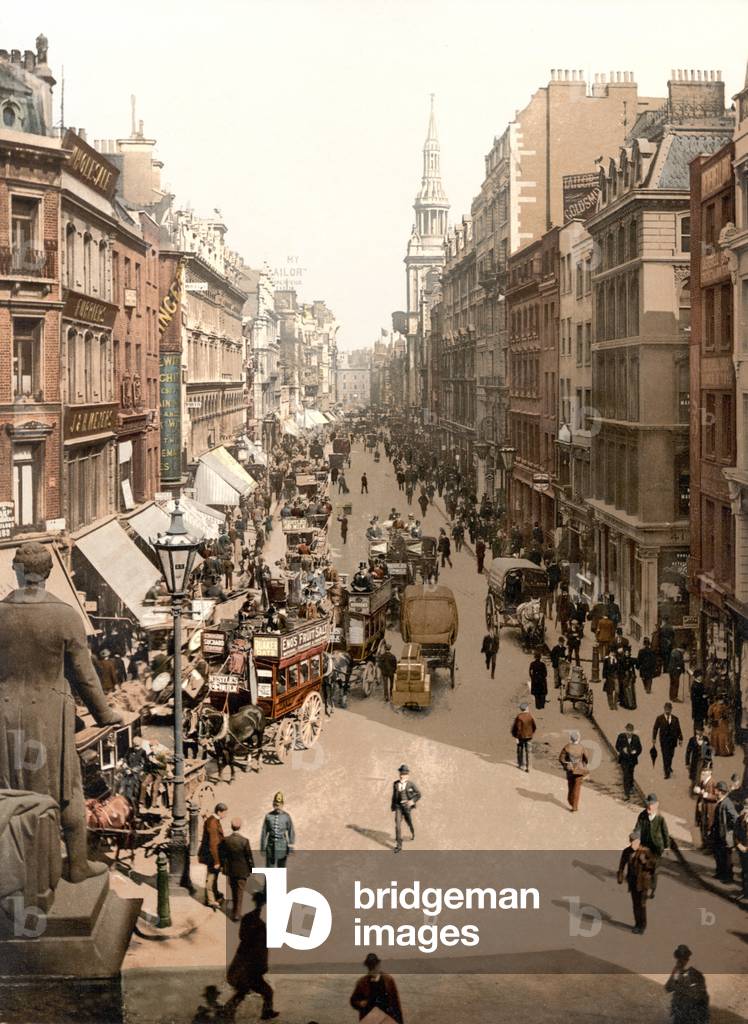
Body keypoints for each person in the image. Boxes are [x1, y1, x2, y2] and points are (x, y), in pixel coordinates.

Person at [0, 542, 123, 884]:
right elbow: (85, 676)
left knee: (7, 789)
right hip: (50, 716)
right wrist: (105, 715)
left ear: (17, 571)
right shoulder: (66, 615)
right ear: (50, 572)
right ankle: (78, 865)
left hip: (4, 714)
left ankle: (15, 870)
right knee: (68, 789)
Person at [225, 891, 279, 1021]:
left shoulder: (248, 918)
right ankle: (265, 1012)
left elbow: (242, 936)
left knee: (244, 990)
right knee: (266, 991)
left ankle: (227, 1011)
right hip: (251, 965)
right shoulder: (263, 922)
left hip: (243, 961)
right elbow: (262, 946)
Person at [617, 831, 656, 934]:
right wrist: (620, 875)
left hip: (643, 882)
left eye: (636, 842)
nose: (634, 844)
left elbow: (653, 867)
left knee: (642, 904)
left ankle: (642, 926)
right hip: (633, 881)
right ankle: (637, 924)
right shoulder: (627, 851)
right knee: (635, 904)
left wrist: (644, 862)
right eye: (632, 842)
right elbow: (622, 864)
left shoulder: (646, 851)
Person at [349, 953, 404, 1023]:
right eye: (370, 967)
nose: (372, 969)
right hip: (368, 1019)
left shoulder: (388, 980)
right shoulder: (362, 982)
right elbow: (353, 1000)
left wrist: (400, 1022)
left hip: (386, 1019)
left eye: (374, 966)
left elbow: (396, 1004)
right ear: (368, 967)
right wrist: (360, 1003)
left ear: (378, 965)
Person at [220, 818, 255, 922]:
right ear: (240, 827)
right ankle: (236, 913)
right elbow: (249, 856)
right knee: (240, 892)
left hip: (231, 870)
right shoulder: (244, 841)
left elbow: (223, 855)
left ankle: (235, 910)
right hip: (242, 870)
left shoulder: (226, 840)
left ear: (231, 827)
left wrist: (224, 867)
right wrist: (252, 868)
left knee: (234, 890)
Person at [664, 945, 709, 1024]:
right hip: (680, 1012)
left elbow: (697, 995)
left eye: (682, 959)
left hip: (693, 1014)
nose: (678, 962)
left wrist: (677, 986)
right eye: (678, 959)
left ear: (687, 959)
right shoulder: (678, 971)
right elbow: (668, 988)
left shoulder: (694, 973)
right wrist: (674, 974)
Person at [199, 803, 228, 908]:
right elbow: (213, 844)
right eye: (225, 813)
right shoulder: (213, 823)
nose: (226, 815)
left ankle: (214, 894)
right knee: (211, 877)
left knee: (214, 875)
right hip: (211, 856)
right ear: (219, 812)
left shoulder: (213, 820)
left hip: (213, 854)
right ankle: (210, 900)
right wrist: (216, 861)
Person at [711, 780, 737, 883]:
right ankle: (720, 873)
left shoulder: (727, 803)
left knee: (726, 857)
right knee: (718, 855)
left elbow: (735, 818)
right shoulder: (721, 801)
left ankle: (728, 877)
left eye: (716, 789)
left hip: (725, 836)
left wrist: (729, 829)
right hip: (718, 834)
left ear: (720, 791)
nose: (715, 791)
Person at [391, 763, 420, 853]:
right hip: (398, 807)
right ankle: (399, 845)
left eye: (404, 774)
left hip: (407, 807)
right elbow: (393, 796)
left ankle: (412, 832)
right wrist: (393, 806)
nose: (402, 776)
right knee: (398, 825)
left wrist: (412, 801)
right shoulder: (395, 784)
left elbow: (418, 794)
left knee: (409, 822)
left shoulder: (411, 784)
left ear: (407, 775)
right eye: (401, 774)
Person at [261, 791, 295, 867]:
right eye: (276, 805)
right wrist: (263, 847)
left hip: (282, 845)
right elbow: (264, 832)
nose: (277, 807)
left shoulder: (286, 816)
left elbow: (291, 830)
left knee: (281, 869)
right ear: (273, 804)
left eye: (279, 805)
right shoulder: (268, 816)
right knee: (270, 869)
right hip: (270, 845)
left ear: (282, 804)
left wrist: (291, 845)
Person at [636, 793, 670, 865]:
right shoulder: (642, 815)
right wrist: (636, 839)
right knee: (639, 861)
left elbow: (665, 833)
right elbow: (637, 828)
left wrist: (667, 847)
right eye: (647, 805)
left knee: (656, 866)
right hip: (645, 845)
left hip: (657, 847)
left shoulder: (660, 818)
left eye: (651, 805)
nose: (649, 807)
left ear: (656, 805)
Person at [559, 730, 588, 812]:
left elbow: (561, 758)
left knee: (571, 787)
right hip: (579, 770)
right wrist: (583, 764)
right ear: (578, 738)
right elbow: (586, 758)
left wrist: (566, 765)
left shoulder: (567, 747)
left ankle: (571, 801)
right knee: (577, 788)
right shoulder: (582, 747)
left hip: (570, 770)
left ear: (570, 738)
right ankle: (575, 806)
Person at [652, 702, 683, 779]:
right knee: (665, 756)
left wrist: (680, 738)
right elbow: (655, 728)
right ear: (664, 709)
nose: (668, 710)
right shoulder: (659, 718)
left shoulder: (675, 719)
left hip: (673, 740)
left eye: (669, 709)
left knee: (671, 755)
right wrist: (654, 738)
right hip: (664, 740)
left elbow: (678, 729)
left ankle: (669, 766)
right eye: (666, 709)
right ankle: (667, 772)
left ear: (671, 709)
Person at [615, 723, 642, 800]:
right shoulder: (621, 736)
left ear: (633, 731)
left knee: (630, 773)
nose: (629, 733)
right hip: (624, 759)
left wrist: (635, 752)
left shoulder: (636, 738)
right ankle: (626, 794)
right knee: (626, 775)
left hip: (632, 760)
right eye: (627, 730)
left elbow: (640, 749)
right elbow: (617, 746)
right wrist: (622, 750)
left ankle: (631, 786)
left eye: (630, 731)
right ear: (625, 730)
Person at [511, 702, 536, 772]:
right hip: (529, 736)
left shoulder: (519, 717)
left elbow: (518, 728)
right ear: (526, 708)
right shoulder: (530, 716)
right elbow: (534, 726)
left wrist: (516, 737)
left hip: (520, 737)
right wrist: (531, 733)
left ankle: (520, 764)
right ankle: (528, 766)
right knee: (528, 751)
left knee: (520, 750)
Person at [735, 801, 748, 902]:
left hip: (746, 849)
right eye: (745, 806)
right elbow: (735, 834)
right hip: (742, 850)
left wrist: (746, 848)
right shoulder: (739, 819)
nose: (746, 809)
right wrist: (738, 844)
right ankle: (745, 892)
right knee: (744, 871)